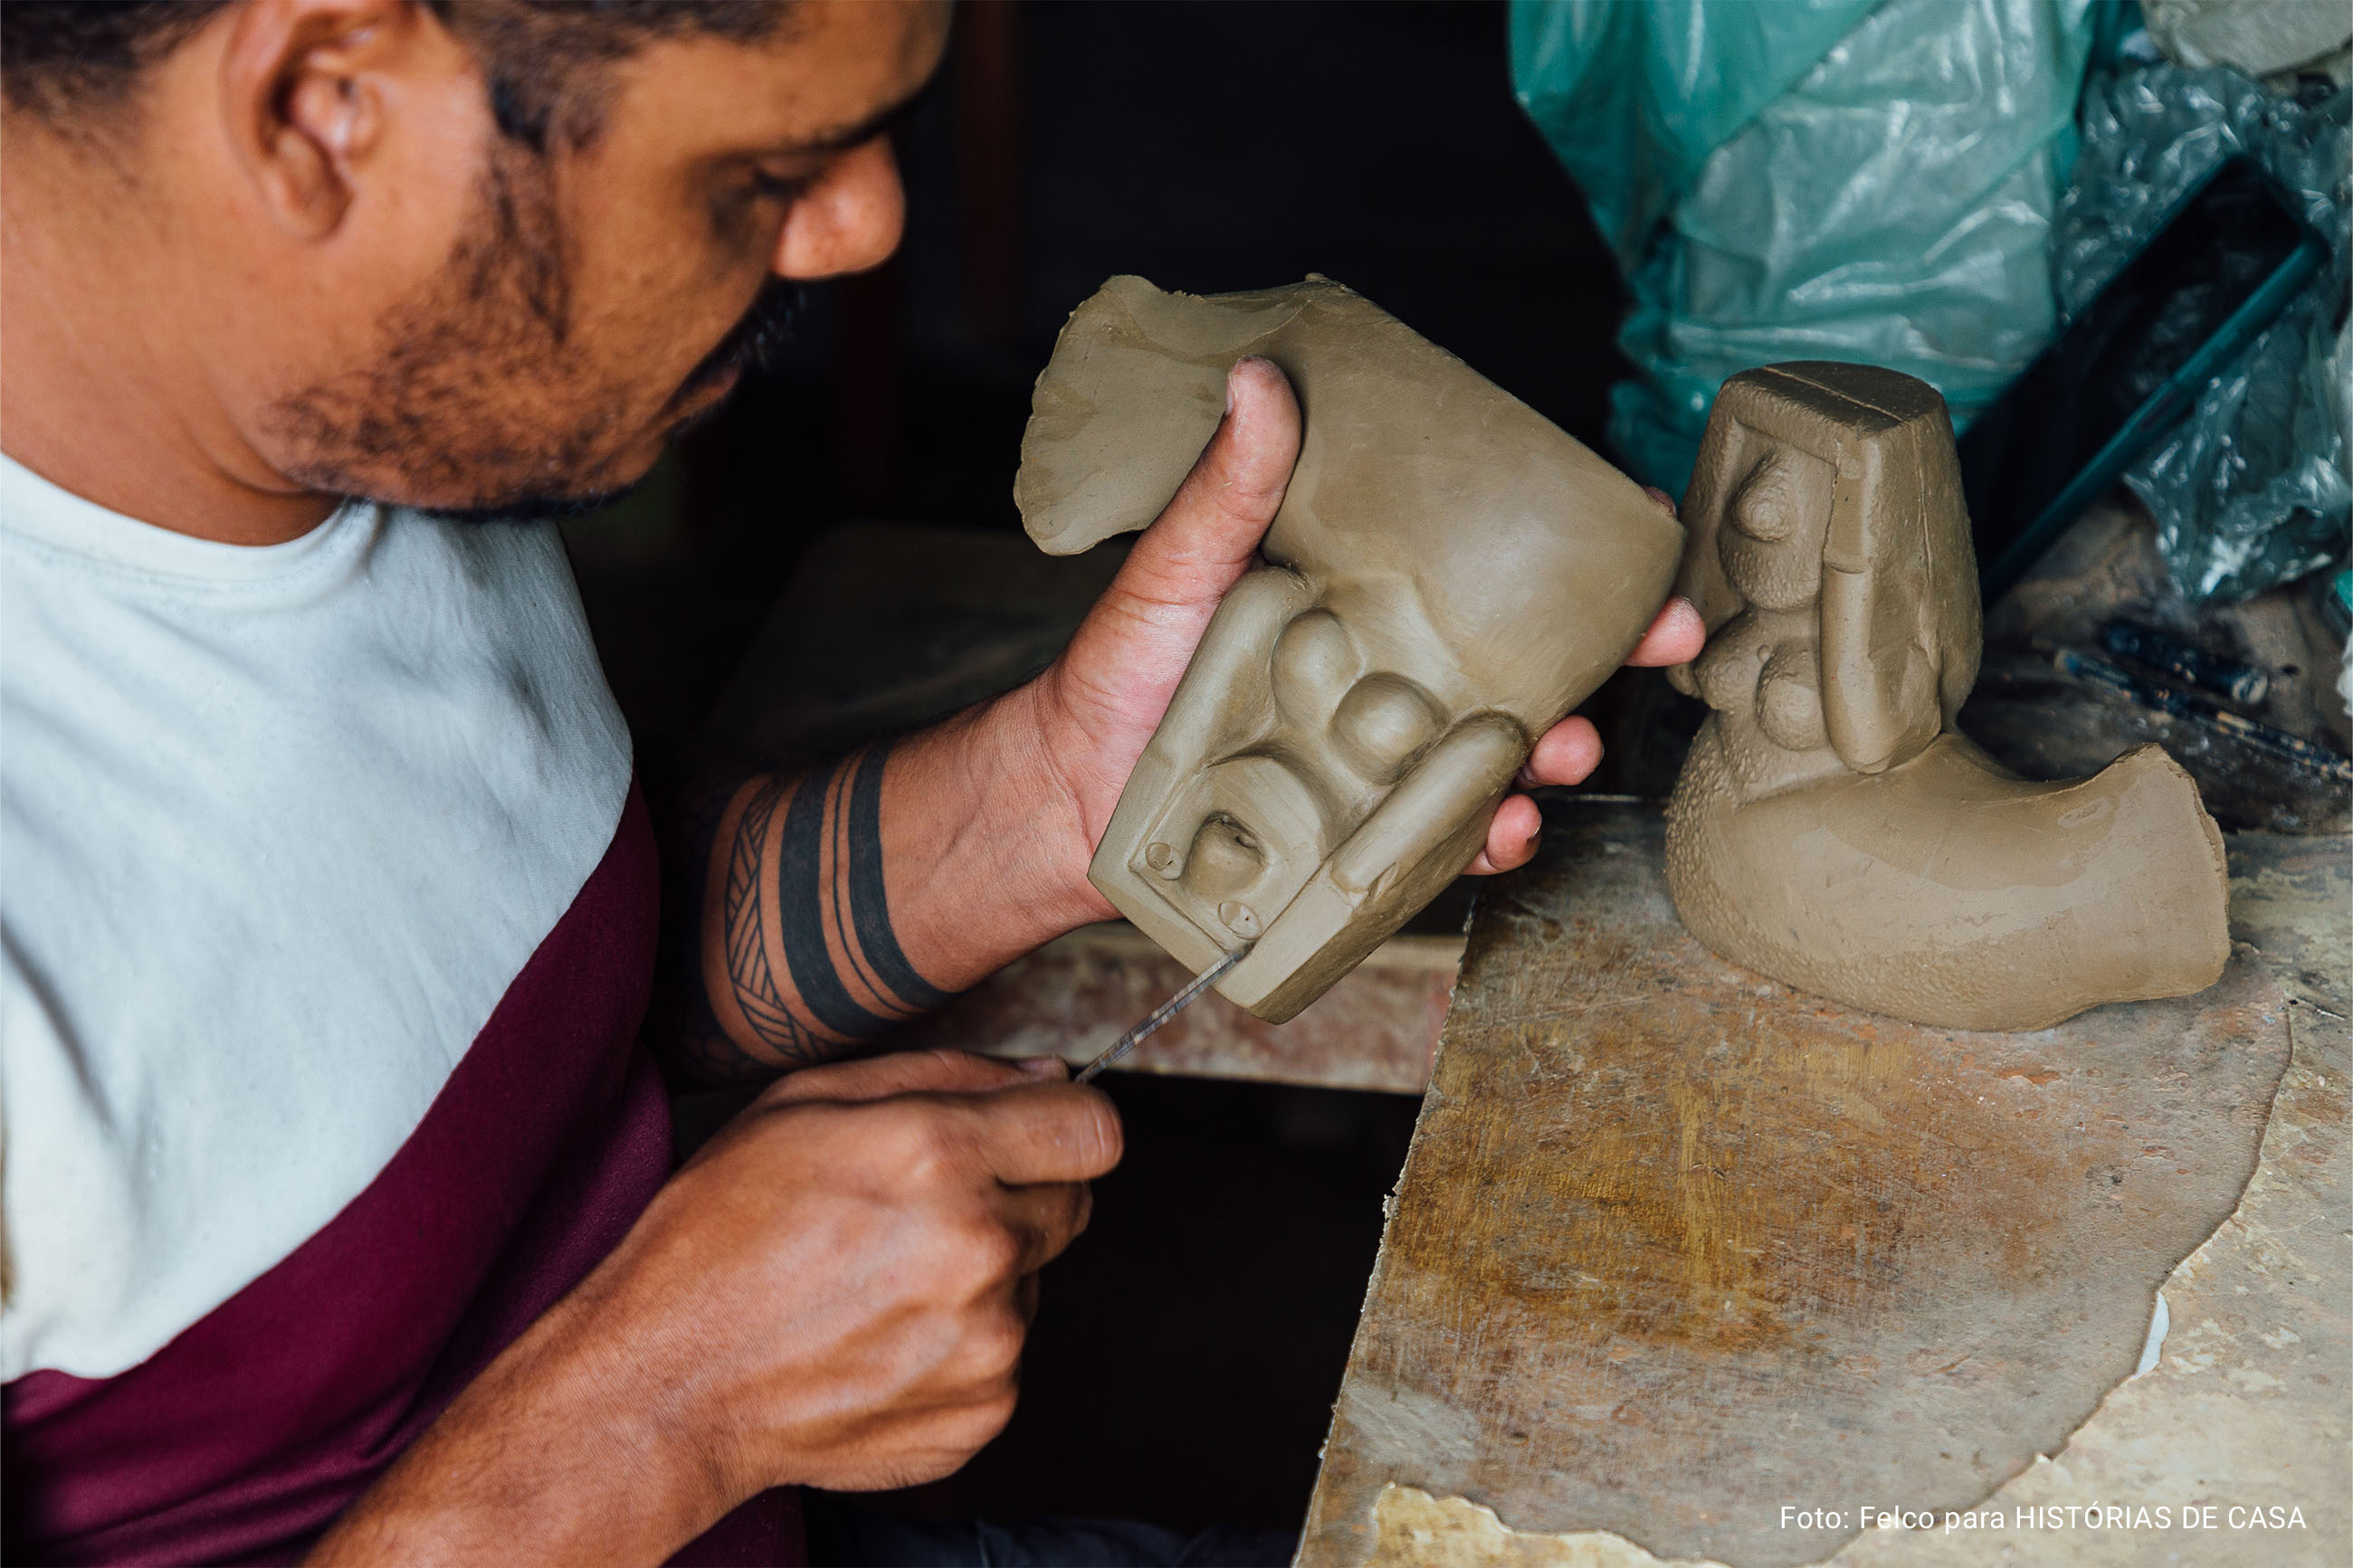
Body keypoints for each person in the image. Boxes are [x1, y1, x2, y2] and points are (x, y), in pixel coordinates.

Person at [0, 3, 1705, 1563]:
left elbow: (512, 992)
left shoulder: (335, 420)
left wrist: (1039, 804)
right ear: (323, 109)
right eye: (764, 169)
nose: (867, 223)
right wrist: (655, 1416)